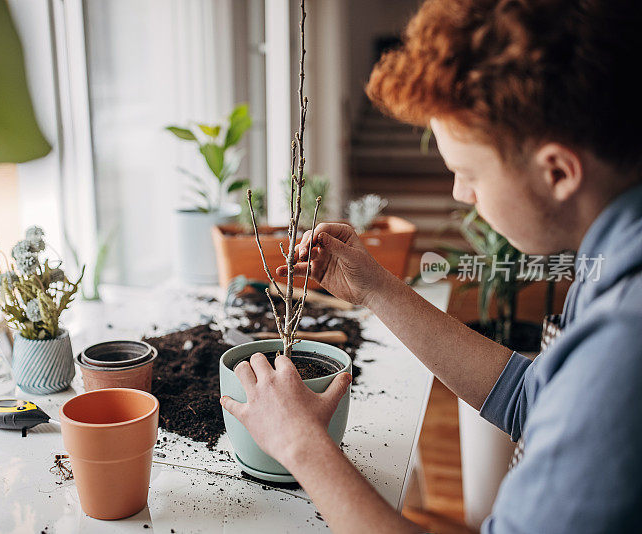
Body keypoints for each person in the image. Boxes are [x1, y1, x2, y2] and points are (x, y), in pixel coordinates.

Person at [219, 0, 642, 532]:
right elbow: (532, 398)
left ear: (557, 171)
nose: (461, 194)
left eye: (468, 172)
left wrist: (301, 444)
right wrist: (374, 287)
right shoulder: (615, 257)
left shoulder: (625, 343)